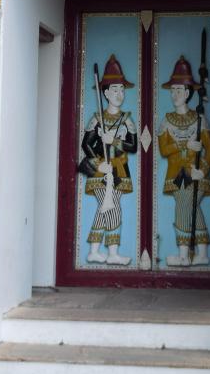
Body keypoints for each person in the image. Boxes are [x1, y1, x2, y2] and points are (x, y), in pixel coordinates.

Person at [158, 55, 210, 266]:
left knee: (183, 208)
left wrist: (204, 169)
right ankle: (202, 254)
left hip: (196, 172)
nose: (175, 94)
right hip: (176, 173)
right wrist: (184, 145)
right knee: (191, 209)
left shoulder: (199, 119)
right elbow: (164, 150)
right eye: (172, 90)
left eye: (179, 90)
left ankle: (184, 255)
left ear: (188, 92)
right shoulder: (167, 120)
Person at [79, 54, 137, 265]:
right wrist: (99, 163)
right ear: (105, 93)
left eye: (122, 90)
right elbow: (86, 144)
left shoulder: (127, 120)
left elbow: (133, 146)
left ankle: (95, 251)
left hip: (120, 170)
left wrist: (115, 141)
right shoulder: (97, 119)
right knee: (113, 209)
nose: (119, 94)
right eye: (114, 90)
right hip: (101, 170)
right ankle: (112, 254)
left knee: (107, 208)